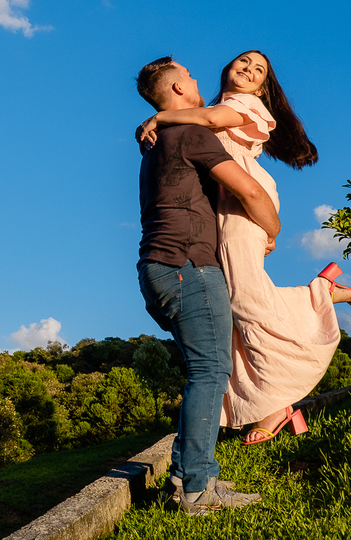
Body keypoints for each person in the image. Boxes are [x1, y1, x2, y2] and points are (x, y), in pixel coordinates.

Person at [138, 50, 351, 445]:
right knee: (233, 312)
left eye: (258, 70)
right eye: (243, 62)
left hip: (244, 200)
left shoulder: (245, 105)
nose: (248, 69)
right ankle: (270, 405)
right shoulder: (210, 108)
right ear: (227, 69)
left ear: (262, 87)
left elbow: (210, 122)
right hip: (226, 207)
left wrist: (157, 117)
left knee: (246, 301)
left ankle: (321, 295)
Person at [135, 55, 280, 513]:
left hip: (159, 269)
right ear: (178, 90)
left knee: (205, 368)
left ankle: (189, 477)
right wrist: (271, 230)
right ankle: (197, 489)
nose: (198, 80)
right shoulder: (191, 132)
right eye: (191, 77)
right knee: (209, 371)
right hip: (188, 267)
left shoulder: (156, 143)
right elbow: (249, 192)